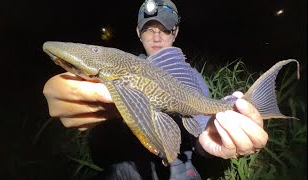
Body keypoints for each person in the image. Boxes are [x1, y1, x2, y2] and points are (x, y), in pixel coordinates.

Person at [43, 0, 268, 179]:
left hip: (178, 168)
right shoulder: (125, 65)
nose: (157, 36)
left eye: (165, 29)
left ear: (175, 33)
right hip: (126, 165)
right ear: (139, 33)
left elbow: (199, 130)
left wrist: (212, 137)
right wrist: (71, 95)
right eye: (150, 29)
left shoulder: (190, 77)